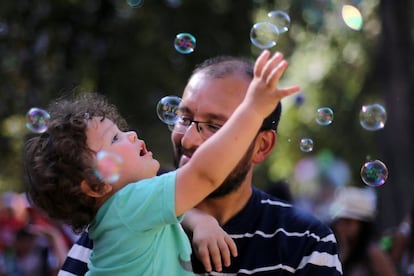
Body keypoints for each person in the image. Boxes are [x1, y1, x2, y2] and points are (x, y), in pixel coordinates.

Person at [59, 52, 342, 275]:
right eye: (184, 118)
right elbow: (202, 175)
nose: (189, 140)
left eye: (215, 126)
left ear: (262, 146)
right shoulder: (115, 223)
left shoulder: (305, 240)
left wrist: (198, 219)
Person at [329, 186, 397, 276]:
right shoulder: (337, 252)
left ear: (362, 224)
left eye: (347, 221)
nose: (341, 227)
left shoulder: (373, 253)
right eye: (339, 221)